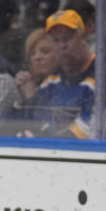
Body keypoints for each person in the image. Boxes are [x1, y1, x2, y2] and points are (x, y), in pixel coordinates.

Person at [15, 9, 96, 138]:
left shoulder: (101, 75)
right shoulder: (51, 81)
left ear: (83, 36)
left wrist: (41, 141)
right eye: (56, 40)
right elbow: (29, 124)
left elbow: (88, 130)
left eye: (67, 38)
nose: (62, 45)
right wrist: (27, 99)